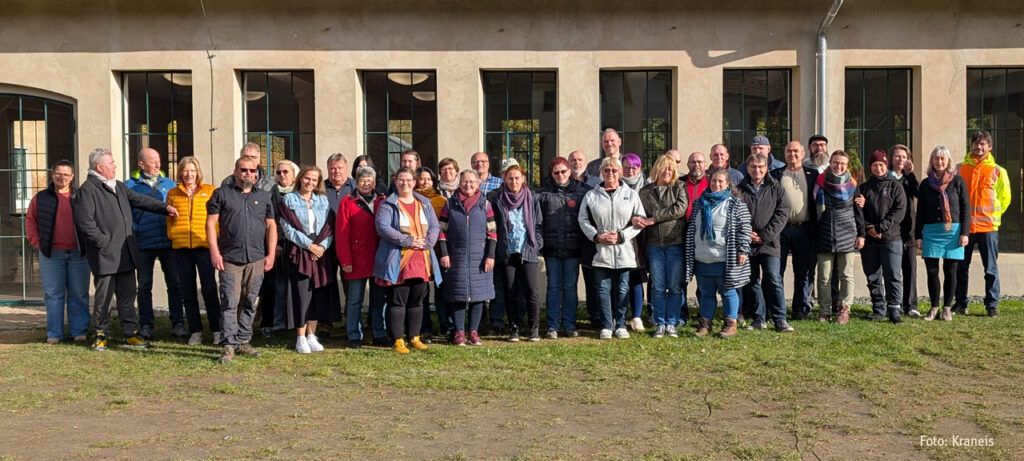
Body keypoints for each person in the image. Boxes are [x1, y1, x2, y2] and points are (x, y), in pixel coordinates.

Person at [73, 148, 178, 351]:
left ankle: (130, 333)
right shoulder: (88, 190)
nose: (115, 166)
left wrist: (164, 208)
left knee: (127, 298)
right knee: (104, 298)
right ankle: (101, 334)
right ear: (100, 167)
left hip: (126, 253)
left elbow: (139, 200)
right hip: (105, 255)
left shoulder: (118, 186)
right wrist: (103, 243)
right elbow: (85, 223)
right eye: (111, 163)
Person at [207, 156, 277, 364]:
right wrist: (214, 252)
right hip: (230, 258)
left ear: (257, 173)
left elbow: (271, 226)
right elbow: (210, 224)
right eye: (244, 170)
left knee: (250, 301)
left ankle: (244, 340)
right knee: (230, 301)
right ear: (236, 171)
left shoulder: (263, 196)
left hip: (256, 258)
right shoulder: (221, 194)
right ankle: (229, 344)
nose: (248, 173)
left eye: (252, 170)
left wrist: (271, 254)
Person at [373, 168, 442, 354]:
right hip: (399, 260)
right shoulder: (388, 204)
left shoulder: (425, 203)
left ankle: (414, 337)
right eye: (401, 180)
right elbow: (383, 227)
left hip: (421, 259)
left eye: (409, 180)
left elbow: (434, 226)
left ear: (414, 182)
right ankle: (397, 339)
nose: (405, 183)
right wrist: (408, 241)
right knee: (398, 300)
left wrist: (428, 242)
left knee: (417, 300)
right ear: (395, 182)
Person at [578, 157, 647, 340]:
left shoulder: (631, 195)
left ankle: (621, 324)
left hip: (624, 250)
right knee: (602, 289)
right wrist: (596, 236)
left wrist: (622, 235)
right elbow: (583, 220)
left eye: (614, 170)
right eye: (607, 170)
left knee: (623, 289)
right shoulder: (591, 195)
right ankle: (607, 325)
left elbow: (640, 220)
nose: (610, 173)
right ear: (601, 172)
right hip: (601, 251)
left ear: (620, 172)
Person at [278, 165, 341, 353]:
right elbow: (288, 229)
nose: (310, 182)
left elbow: (330, 227)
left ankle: (312, 335)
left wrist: (321, 247)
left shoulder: (322, 200)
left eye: (314, 180)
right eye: (307, 178)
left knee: (317, 294)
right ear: (300, 178)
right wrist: (309, 246)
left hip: (320, 252)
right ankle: (300, 337)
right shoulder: (289, 199)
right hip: (300, 251)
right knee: (302, 294)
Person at [27, 160, 89, 344]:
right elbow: (30, 222)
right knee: (53, 295)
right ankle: (54, 334)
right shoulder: (41, 198)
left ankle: (79, 331)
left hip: (79, 254)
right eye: (58, 174)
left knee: (79, 293)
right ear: (52, 174)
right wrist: (38, 243)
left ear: (72, 177)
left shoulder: (82, 196)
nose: (62, 178)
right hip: (51, 255)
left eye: (66, 174)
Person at [684, 168, 751, 338]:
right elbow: (692, 228)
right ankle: (705, 324)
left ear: (728, 184)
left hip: (724, 258)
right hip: (702, 257)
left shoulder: (735, 204)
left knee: (728, 292)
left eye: (721, 181)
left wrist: (743, 249)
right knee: (706, 293)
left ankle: (730, 323)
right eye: (714, 181)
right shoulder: (699, 203)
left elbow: (745, 228)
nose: (717, 184)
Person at [124, 147, 183, 339]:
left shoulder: (170, 184)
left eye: (158, 160)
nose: (158, 164)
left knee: (175, 284)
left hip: (168, 243)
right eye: (152, 161)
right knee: (144, 286)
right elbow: (126, 215)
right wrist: (136, 229)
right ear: (141, 164)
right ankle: (146, 325)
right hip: (143, 244)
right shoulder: (129, 186)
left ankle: (178, 323)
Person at [166, 156, 221, 345]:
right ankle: (195, 330)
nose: (189, 174)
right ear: (180, 172)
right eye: (185, 170)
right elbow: (169, 219)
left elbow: (217, 219)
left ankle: (216, 330)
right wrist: (173, 235)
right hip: (181, 249)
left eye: (192, 170)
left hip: (204, 247)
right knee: (187, 291)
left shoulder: (210, 191)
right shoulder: (173, 193)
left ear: (198, 172)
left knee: (209, 289)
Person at [955, 130, 1011, 317]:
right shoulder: (960, 169)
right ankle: (960, 304)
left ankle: (991, 305)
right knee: (961, 268)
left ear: (990, 147)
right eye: (976, 143)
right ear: (971, 146)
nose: (979, 147)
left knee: (991, 269)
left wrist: (993, 216)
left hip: (988, 228)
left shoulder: (998, 171)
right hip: (965, 228)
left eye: (983, 144)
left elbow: (1005, 198)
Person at [437, 169, 497, 346]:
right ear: (459, 183)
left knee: (478, 295)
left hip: (480, 258)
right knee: (458, 294)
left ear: (478, 184)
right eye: (464, 181)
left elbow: (492, 233)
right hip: (456, 256)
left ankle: (473, 332)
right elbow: (441, 231)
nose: (468, 185)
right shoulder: (450, 204)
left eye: (472, 182)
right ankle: (459, 332)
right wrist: (444, 253)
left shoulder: (486, 205)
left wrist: (490, 256)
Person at [738, 153, 793, 332]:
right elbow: (734, 214)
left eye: (761, 167)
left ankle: (780, 319)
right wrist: (746, 234)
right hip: (747, 243)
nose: (757, 170)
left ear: (766, 168)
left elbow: (782, 213)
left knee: (773, 278)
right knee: (751, 280)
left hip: (770, 243)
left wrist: (764, 235)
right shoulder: (739, 189)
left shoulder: (776, 188)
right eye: (753, 167)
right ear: (748, 168)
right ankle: (758, 318)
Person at [917, 146, 971, 321]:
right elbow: (920, 212)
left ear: (948, 161)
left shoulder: (958, 182)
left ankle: (947, 308)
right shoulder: (925, 184)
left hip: (953, 231)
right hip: (931, 231)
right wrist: (918, 236)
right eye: (936, 158)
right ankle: (934, 307)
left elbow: (965, 209)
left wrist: (964, 233)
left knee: (951, 271)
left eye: (942, 158)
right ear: (932, 161)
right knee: (932, 271)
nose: (939, 162)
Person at [536, 157, 588, 339]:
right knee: (553, 287)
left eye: (563, 171)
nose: (560, 175)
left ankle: (569, 324)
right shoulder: (542, 194)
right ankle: (552, 326)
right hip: (551, 248)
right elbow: (538, 221)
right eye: (556, 172)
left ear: (569, 171)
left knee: (570, 287)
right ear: (551, 174)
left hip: (573, 248)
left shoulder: (582, 192)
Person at [491, 165, 544, 342]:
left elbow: (538, 225)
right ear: (505, 180)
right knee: (510, 291)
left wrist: (536, 244)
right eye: (510, 178)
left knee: (531, 291)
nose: (514, 181)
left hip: (527, 250)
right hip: (507, 251)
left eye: (517, 178)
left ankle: (534, 328)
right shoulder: (498, 199)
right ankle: (514, 327)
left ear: (523, 179)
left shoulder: (532, 198)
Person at [336, 166, 388, 348]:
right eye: (362, 180)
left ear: (375, 182)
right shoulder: (347, 201)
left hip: (379, 257)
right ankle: (354, 335)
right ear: (356, 182)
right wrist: (345, 260)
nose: (366, 183)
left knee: (379, 299)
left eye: (369, 180)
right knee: (355, 300)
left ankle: (379, 333)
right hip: (356, 258)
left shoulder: (383, 200)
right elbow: (342, 233)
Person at [638, 155, 687, 338]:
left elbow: (679, 209)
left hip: (675, 242)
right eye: (664, 168)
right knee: (658, 286)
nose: (667, 172)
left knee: (674, 286)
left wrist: (655, 218)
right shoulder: (645, 192)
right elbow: (640, 212)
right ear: (656, 169)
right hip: (654, 244)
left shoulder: (680, 187)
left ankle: (672, 323)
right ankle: (660, 322)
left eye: (670, 168)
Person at [857, 150, 908, 324]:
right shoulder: (864, 188)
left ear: (886, 165)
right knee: (872, 275)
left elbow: (899, 211)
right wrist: (868, 228)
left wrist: (880, 228)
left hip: (891, 239)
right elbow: (858, 212)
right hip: (870, 240)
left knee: (892, 275)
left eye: (881, 165)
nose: (878, 168)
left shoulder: (896, 187)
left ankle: (894, 309)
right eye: (874, 165)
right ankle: (879, 308)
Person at [814, 150, 864, 324]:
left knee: (846, 275)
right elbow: (813, 210)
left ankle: (845, 309)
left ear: (847, 165)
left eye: (842, 163)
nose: (839, 166)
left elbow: (858, 212)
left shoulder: (853, 185)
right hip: (824, 234)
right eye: (835, 162)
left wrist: (861, 234)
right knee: (824, 277)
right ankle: (825, 310)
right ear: (830, 163)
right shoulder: (820, 182)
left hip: (847, 234)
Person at [770, 141, 818, 321]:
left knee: (803, 272)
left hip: (804, 229)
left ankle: (800, 308)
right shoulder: (776, 174)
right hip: (781, 230)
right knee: (777, 271)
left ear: (803, 153)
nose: (793, 154)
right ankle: (777, 309)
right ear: (784, 153)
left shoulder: (813, 175)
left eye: (796, 151)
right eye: (789, 151)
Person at [257, 159, 298, 338]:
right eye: (279, 172)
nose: (282, 175)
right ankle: (274, 322)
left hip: (297, 246)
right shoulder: (271, 192)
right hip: (277, 245)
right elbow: (271, 219)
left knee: (294, 286)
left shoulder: (299, 192)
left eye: (286, 172)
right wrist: (275, 244)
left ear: (294, 174)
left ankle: (294, 322)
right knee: (275, 286)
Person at [415, 166, 448, 342]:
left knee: (441, 290)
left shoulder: (441, 200)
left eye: (428, 179)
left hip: (438, 251)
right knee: (422, 292)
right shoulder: (412, 199)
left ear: (434, 181)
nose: (425, 182)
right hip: (419, 251)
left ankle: (444, 324)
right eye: (422, 179)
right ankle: (424, 327)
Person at [888, 144, 920, 317]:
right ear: (891, 159)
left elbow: (919, 193)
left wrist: (911, 174)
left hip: (909, 231)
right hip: (892, 231)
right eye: (897, 156)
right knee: (892, 271)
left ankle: (911, 305)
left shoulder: (908, 179)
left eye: (904, 157)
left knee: (910, 268)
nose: (901, 159)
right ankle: (893, 304)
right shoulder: (886, 177)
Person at [620, 153, 649, 332]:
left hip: (641, 238)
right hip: (620, 237)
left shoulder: (647, 187)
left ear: (639, 168)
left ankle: (637, 316)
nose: (630, 171)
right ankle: (619, 316)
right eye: (627, 167)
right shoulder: (615, 185)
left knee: (636, 277)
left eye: (634, 167)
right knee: (620, 279)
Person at [680, 151, 709, 324]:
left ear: (705, 164)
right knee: (681, 278)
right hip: (682, 236)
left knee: (703, 279)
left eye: (699, 161)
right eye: (692, 162)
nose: (696, 165)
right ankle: (681, 315)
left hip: (704, 238)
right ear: (687, 164)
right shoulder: (680, 183)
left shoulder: (712, 182)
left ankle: (704, 314)